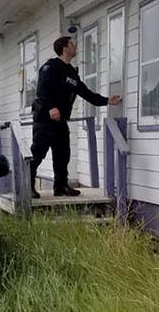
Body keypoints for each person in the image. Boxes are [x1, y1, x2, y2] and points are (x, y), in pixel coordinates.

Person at [30, 35, 120, 198]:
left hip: (60, 120)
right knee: (38, 152)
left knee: (63, 153)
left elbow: (86, 93)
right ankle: (27, 185)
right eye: (72, 43)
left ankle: (61, 186)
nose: (75, 46)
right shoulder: (50, 67)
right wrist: (51, 107)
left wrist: (107, 101)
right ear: (65, 48)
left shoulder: (71, 72)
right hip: (45, 119)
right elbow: (41, 92)